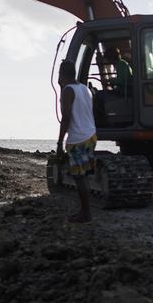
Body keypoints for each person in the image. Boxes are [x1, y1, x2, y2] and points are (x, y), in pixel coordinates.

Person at [55, 60, 97, 223]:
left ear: (61, 74)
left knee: (79, 177)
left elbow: (65, 118)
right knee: (84, 176)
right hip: (91, 135)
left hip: (78, 138)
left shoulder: (68, 91)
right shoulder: (85, 89)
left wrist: (59, 143)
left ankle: (86, 214)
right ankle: (85, 211)